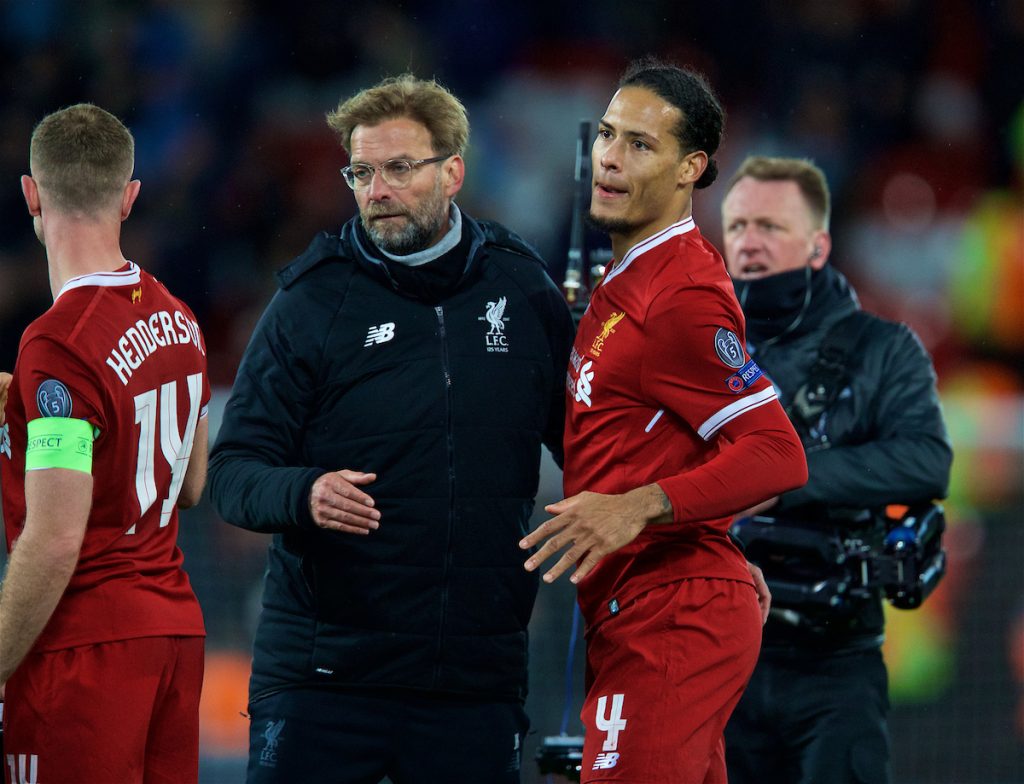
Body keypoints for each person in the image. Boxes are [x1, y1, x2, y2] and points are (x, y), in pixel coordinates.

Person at [206, 74, 576, 784]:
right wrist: (305, 492)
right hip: (325, 678)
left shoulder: (524, 293)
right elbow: (233, 473)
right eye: (362, 172)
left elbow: (590, 454)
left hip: (473, 682)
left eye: (399, 168)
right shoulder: (310, 303)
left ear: (453, 171)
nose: (377, 190)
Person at [520, 59, 808, 784]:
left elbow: (777, 455)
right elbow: (637, 441)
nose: (612, 158)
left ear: (691, 168)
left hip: (674, 615)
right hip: (641, 607)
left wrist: (639, 509)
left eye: (642, 145)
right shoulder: (627, 280)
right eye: (609, 136)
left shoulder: (681, 295)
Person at [719, 155, 953, 784]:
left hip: (835, 660)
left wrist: (784, 477)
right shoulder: (700, 348)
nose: (748, 243)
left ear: (818, 245)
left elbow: (927, 461)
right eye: (737, 226)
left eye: (769, 226)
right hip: (717, 651)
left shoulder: (884, 349)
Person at [0, 103, 210, 783]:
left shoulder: (57, 343)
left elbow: (56, 538)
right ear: (129, 198)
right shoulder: (178, 316)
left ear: (30, 192)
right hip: (173, 638)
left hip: (85, 650)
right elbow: (192, 480)